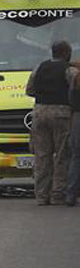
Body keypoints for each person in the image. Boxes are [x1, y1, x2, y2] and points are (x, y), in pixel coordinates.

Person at [25, 41, 76, 206]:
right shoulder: (70, 70)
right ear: (66, 53)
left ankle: (41, 196)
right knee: (62, 155)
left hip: (39, 113)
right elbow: (75, 88)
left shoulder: (39, 67)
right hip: (62, 114)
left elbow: (29, 90)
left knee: (41, 156)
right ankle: (57, 194)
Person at [67, 58, 80, 207]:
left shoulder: (75, 81)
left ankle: (70, 194)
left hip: (77, 118)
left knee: (76, 157)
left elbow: (71, 101)